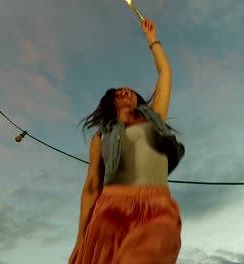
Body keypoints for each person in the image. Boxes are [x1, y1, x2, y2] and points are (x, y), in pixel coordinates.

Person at [68, 18, 185, 264]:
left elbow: (165, 73)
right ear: (110, 102)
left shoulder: (156, 120)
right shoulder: (102, 137)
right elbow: (91, 186)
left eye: (128, 89)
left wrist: (151, 38)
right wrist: (80, 238)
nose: (125, 90)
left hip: (157, 209)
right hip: (110, 210)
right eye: (118, 91)